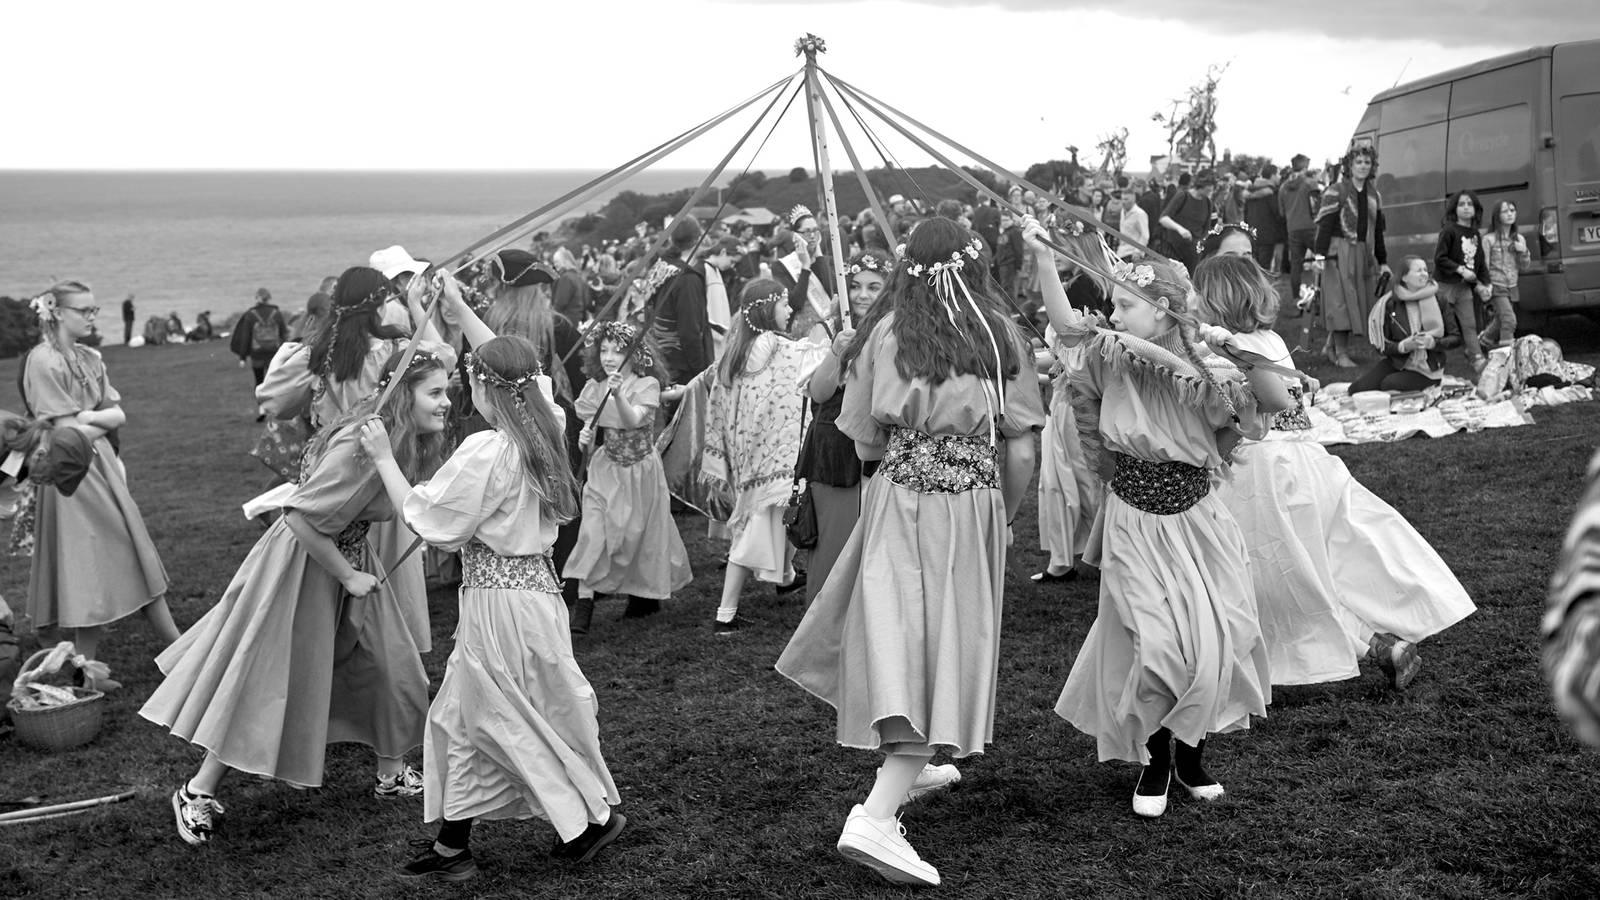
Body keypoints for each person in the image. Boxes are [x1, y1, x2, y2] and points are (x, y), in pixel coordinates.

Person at [776, 218, 1042, 887]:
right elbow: (1020, 447)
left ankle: (914, 764)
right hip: (966, 506)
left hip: (895, 498)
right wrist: (1001, 517)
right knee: (943, 639)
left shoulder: (883, 334)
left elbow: (864, 441)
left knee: (901, 630)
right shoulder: (999, 337)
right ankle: (877, 815)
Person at [1033, 227, 1293, 820]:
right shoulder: (1107, 354)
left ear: (1164, 310)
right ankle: (1153, 758)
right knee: (1153, 644)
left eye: (1125, 306)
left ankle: (1192, 755)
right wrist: (1045, 258)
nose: (1114, 315)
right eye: (1115, 305)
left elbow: (1272, 403)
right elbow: (1066, 324)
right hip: (1132, 518)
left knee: (1213, 639)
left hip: (1197, 521)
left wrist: (1237, 354)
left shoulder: (1208, 370)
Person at [142, 350, 450, 846]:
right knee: (267, 681)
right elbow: (300, 518)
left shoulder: (396, 440)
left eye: (447, 389)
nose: (445, 401)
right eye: (435, 391)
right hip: (307, 565)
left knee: (389, 664)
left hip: (348, 556)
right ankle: (196, 792)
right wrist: (348, 576)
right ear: (401, 393)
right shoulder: (360, 444)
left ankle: (392, 773)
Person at [365, 329, 624, 881]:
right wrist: (459, 309)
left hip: (500, 605)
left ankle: (588, 820)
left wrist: (385, 458)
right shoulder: (544, 426)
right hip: (530, 596)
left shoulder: (490, 448)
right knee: (463, 716)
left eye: (471, 382)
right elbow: (523, 373)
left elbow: (430, 518)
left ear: (484, 388)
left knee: (503, 717)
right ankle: (451, 846)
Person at [1196, 254, 1475, 689]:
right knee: (1327, 564)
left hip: (1264, 473)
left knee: (1278, 576)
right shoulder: (1270, 338)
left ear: (1215, 298)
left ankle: (1361, 647)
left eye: (1198, 293)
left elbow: (1261, 407)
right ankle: (1382, 643)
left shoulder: (1225, 348)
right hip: (1308, 462)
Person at [18, 281, 182, 688]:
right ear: (57, 312)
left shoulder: (90, 357)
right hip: (72, 476)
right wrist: (96, 419)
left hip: (100, 464)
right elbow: (68, 433)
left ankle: (93, 672)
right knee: (89, 566)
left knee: (113, 557)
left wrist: (92, 419)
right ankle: (176, 652)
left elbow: (111, 417)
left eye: (94, 309)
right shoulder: (43, 361)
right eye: (84, 310)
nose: (92, 316)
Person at [706, 279, 828, 633]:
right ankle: (725, 614)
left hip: (751, 456)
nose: (790, 310)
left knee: (780, 518)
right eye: (785, 304)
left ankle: (787, 576)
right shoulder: (773, 346)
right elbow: (814, 359)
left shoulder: (737, 349)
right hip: (773, 458)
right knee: (755, 532)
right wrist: (830, 325)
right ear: (765, 309)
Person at [564, 321, 691, 627]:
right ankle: (584, 603)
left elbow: (632, 419)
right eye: (603, 349)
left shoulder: (646, 386)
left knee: (639, 536)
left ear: (634, 355)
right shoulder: (594, 388)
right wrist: (586, 440)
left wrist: (619, 394)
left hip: (640, 471)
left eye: (617, 350)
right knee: (593, 532)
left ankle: (644, 598)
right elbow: (593, 428)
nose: (608, 357)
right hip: (606, 469)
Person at [796, 250, 888, 604]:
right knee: (836, 544)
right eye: (856, 286)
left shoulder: (895, 328)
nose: (863, 294)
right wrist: (836, 352)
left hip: (880, 449)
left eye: (873, 286)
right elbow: (817, 393)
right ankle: (825, 629)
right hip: (834, 450)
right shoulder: (830, 329)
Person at [1313, 144, 1390, 369]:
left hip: (1362, 252)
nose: (1363, 166)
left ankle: (1330, 347)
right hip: (1338, 252)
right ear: (1349, 165)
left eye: (1367, 162)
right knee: (1341, 304)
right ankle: (1342, 354)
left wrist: (1383, 261)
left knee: (1354, 302)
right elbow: (1325, 225)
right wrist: (1319, 255)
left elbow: (1377, 231)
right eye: (1359, 162)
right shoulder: (1336, 190)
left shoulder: (1374, 195)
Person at [1350, 256, 1447, 393]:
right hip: (1399, 362)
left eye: (1425, 270)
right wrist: (1403, 346)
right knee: (1356, 390)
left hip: (1428, 370)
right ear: (1404, 278)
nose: (1425, 274)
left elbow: (1455, 337)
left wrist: (1432, 342)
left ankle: (1428, 384)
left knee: (1388, 384)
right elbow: (1381, 345)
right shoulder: (1390, 303)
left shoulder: (1439, 299)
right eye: (1419, 270)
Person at [1434, 190, 1493, 373]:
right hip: (1445, 286)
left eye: (1470, 204)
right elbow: (1440, 258)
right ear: (1454, 209)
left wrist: (1487, 284)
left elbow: (1480, 263)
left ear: (1476, 210)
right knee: (1439, 325)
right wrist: (1460, 270)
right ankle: (1430, 359)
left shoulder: (1475, 234)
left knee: (1470, 324)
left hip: (1463, 288)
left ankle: (1477, 358)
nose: (1466, 208)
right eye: (1461, 204)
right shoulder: (1449, 231)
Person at [772, 205, 837, 341]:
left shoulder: (826, 262)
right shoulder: (781, 266)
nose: (812, 236)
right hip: (800, 335)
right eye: (807, 232)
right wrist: (805, 267)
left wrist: (818, 257)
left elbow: (833, 292)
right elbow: (795, 302)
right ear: (796, 235)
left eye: (815, 231)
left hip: (828, 330)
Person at [1478, 201, 1531, 350]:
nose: (1509, 214)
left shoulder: (1519, 239)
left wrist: (1524, 252)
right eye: (1505, 211)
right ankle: (1507, 354)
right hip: (1496, 284)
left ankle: (1482, 343)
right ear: (1497, 215)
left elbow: (1524, 266)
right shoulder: (1489, 239)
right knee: (1509, 320)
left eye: (1512, 210)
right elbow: (1484, 265)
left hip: (1512, 284)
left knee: (1500, 320)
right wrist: (1484, 286)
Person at [231, 288, 288, 420]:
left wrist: (242, 357)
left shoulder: (251, 315)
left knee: (259, 381)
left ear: (257, 298)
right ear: (269, 298)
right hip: (274, 352)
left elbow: (246, 336)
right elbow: (284, 334)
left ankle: (262, 410)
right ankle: (277, 408)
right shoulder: (277, 313)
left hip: (257, 353)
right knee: (274, 381)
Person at [1158, 171, 1214, 276]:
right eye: (1208, 190)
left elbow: (1206, 230)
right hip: (1174, 250)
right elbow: (1163, 219)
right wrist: (1180, 229)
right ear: (1200, 186)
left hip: (1193, 254)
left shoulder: (1208, 203)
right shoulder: (1183, 196)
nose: (1210, 193)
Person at [1280, 154, 1320, 300]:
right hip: (1311, 227)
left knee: (1296, 265)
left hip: (1293, 228)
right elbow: (1317, 207)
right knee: (1322, 258)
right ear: (1305, 166)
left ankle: (1296, 297)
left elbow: (1281, 211)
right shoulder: (1311, 183)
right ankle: (1322, 291)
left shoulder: (1283, 187)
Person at [1243, 165, 1285, 272]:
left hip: (1252, 233)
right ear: (1272, 175)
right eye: (1278, 174)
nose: (1279, 177)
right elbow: (1278, 214)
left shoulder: (1250, 191)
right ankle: (1261, 288)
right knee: (1264, 268)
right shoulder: (1272, 193)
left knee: (1253, 267)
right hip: (1268, 234)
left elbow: (1246, 213)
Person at [550, 246, 591, 325]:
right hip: (578, 320)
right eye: (554, 262)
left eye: (557, 261)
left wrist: (551, 322)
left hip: (567, 322)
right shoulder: (578, 276)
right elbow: (587, 301)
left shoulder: (566, 278)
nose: (555, 264)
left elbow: (559, 304)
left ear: (565, 261)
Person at [1115, 189, 1150, 261]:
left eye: (1126, 199)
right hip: (1121, 252)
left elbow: (1145, 236)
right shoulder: (1122, 211)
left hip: (1133, 254)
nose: (1123, 202)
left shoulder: (1140, 214)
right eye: (1122, 199)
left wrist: (1137, 251)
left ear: (1133, 199)